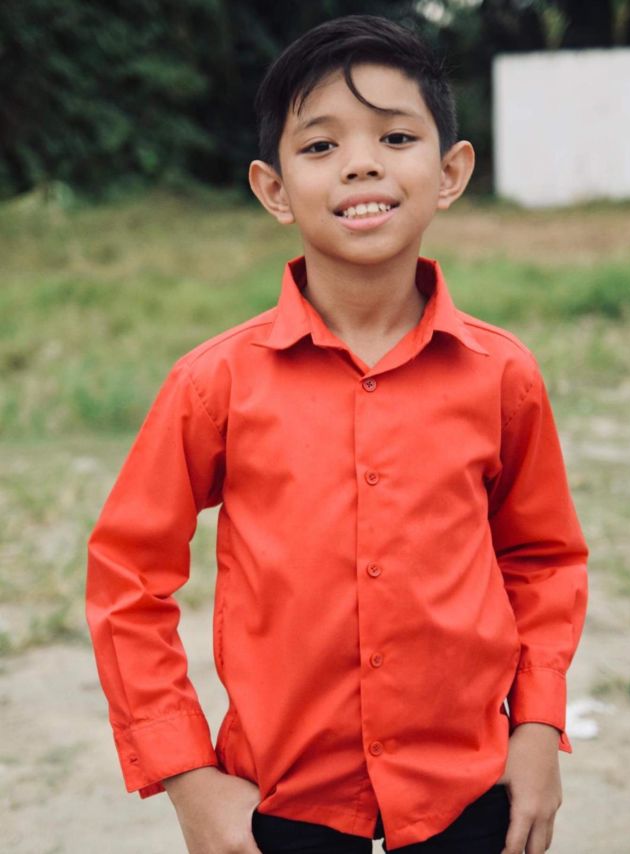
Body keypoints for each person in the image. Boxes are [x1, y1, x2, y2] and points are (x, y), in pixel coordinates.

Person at [85, 14, 589, 854]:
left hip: (471, 791)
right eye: (320, 146)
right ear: (273, 189)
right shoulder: (215, 383)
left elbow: (542, 561)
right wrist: (186, 776)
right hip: (281, 802)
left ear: (451, 172)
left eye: (396, 136)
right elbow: (126, 578)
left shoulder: (502, 375)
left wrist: (537, 728)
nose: (361, 163)